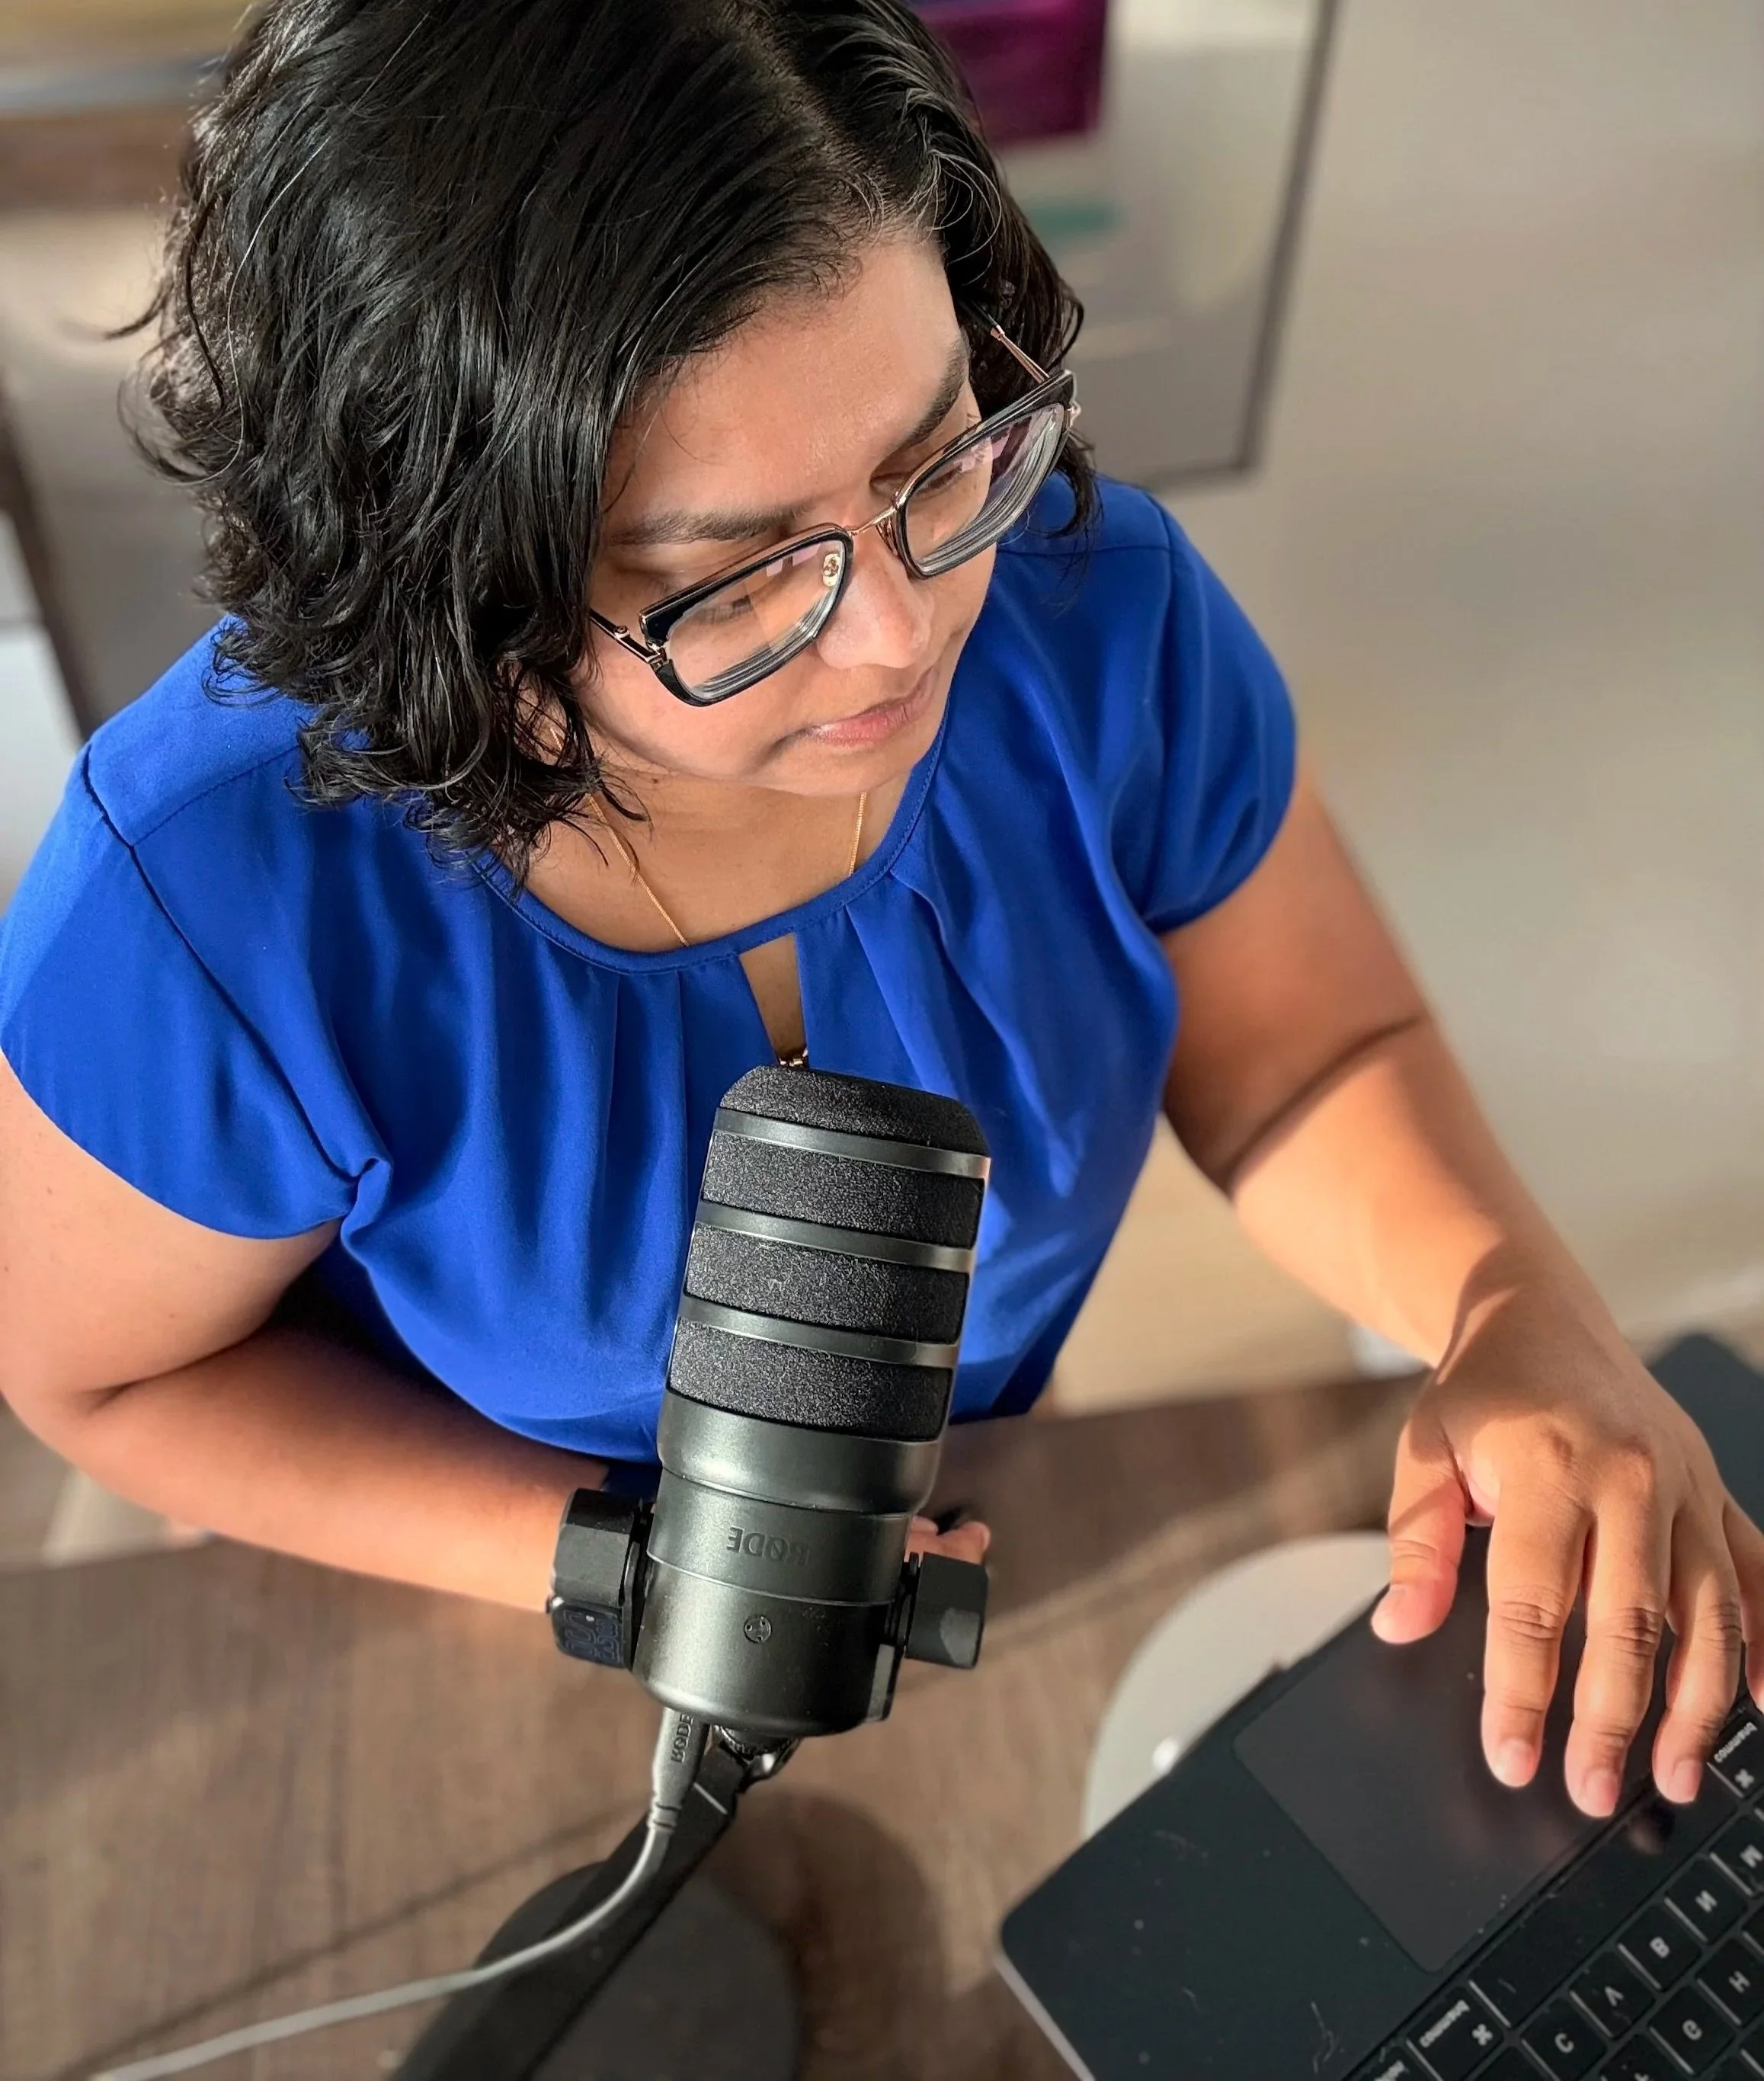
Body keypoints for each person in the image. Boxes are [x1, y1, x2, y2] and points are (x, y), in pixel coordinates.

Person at [0, 0, 1756, 1833]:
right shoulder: (213, 895)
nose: (905, 633)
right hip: (473, 1623)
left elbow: (1308, 1049)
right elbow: (108, 1380)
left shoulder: (1091, 620)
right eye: (744, 573)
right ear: (459, 588)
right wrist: (619, 1567)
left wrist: (1502, 1306)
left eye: (937, 459)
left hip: (973, 1537)